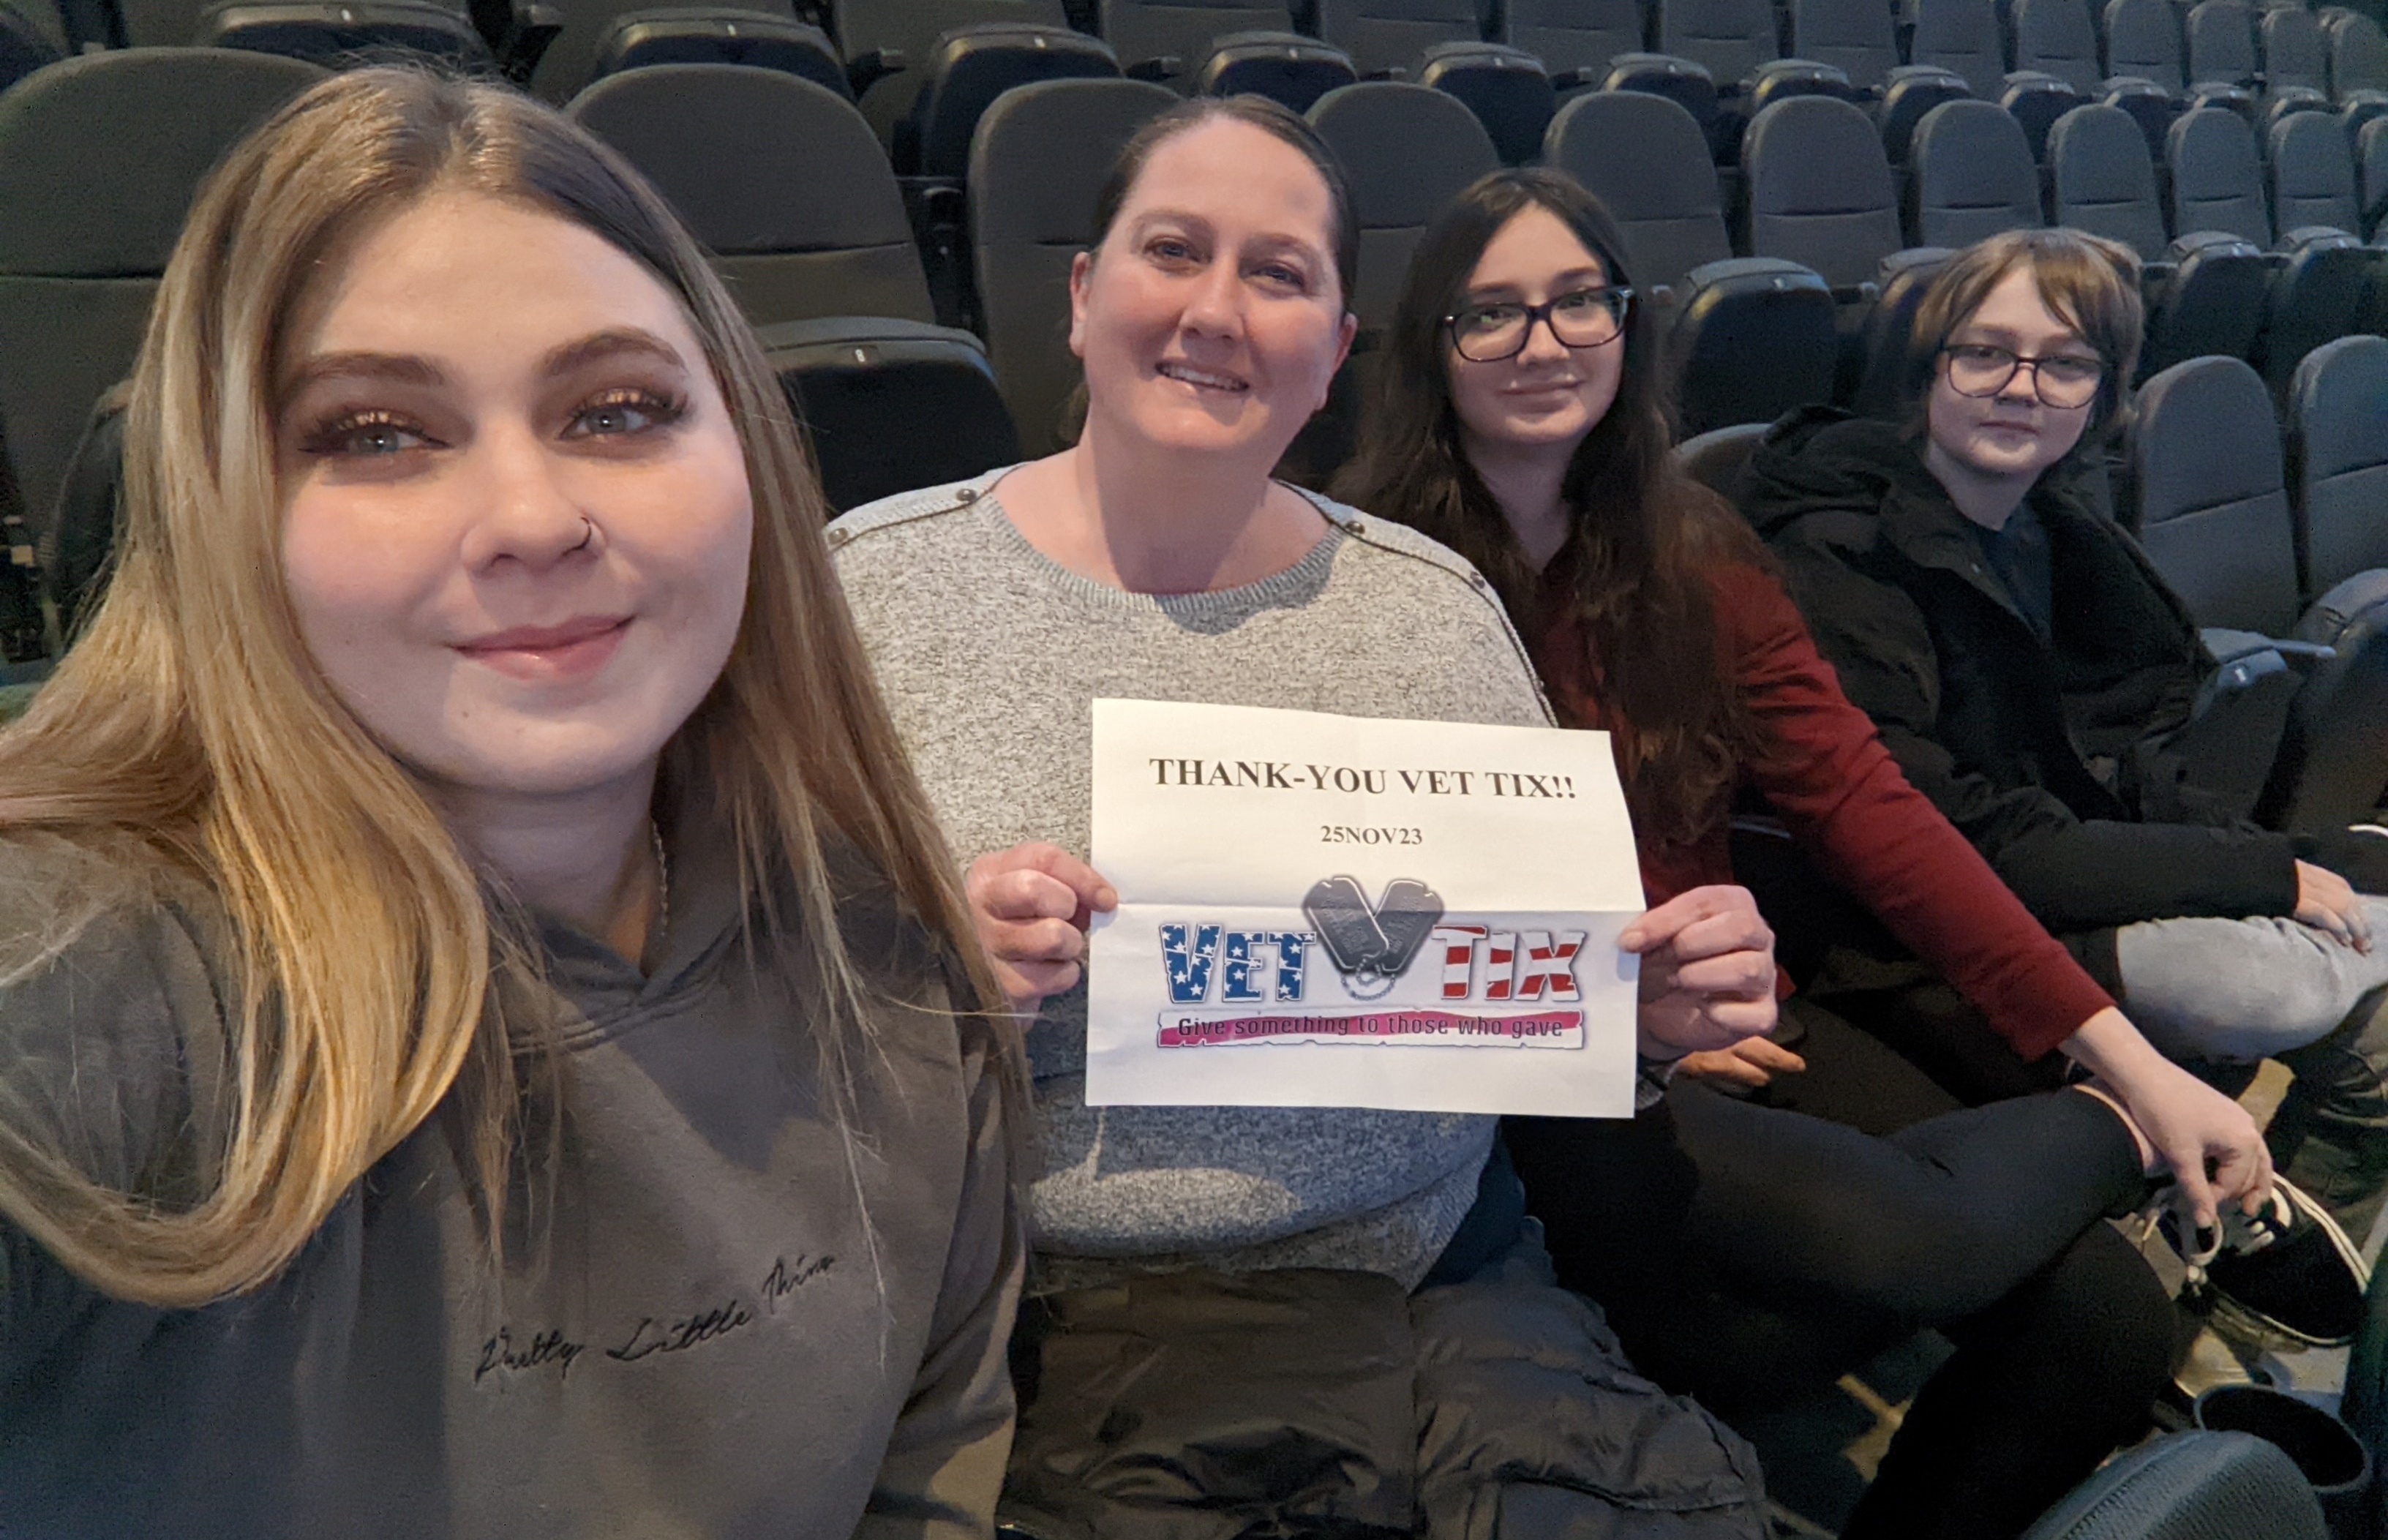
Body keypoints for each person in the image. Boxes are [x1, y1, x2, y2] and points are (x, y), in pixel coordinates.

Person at [0, 70, 1024, 1538]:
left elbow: (930, 1471)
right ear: (223, 504)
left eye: (619, 410)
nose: (536, 520)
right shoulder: (94, 974)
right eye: (375, 432)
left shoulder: (890, 952)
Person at [830, 97, 1773, 1536]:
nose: (1217, 310)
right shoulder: (872, 594)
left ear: (1333, 352)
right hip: (1070, 1323)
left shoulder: (1432, 612)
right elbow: (720, 1011)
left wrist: (1644, 1018)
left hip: (1445, 1287)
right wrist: (925, 977)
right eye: (1173, 250)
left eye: (1277, 274)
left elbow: (1540, 996)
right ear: (1080, 296)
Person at [1335, 170, 2289, 1540]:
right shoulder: (1362, 573)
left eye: (1579, 302)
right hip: (1528, 1053)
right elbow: (1380, 880)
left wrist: (2124, 1048)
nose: (1543, 342)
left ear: (1628, 325)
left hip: (1726, 1009)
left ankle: (2124, 1128)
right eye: (1492, 312)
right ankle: (2124, 1134)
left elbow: (1874, 812)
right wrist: (2138, 1095)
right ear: (1432, 344)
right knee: (1856, 1278)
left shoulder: (1695, 550)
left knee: (2104, 1312)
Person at [1741, 228, 2388, 1236]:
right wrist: (2261, 874)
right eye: (1985, 352)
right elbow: (1956, 835)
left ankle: (2285, 1240)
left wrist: (2287, 862)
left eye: (2065, 363)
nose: (2021, 387)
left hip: (2054, 872)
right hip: (1921, 925)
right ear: (1930, 365)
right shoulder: (1840, 550)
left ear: (2102, 392)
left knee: (2359, 959)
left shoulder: (2053, 529)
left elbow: (2119, 763)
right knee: (2281, 981)